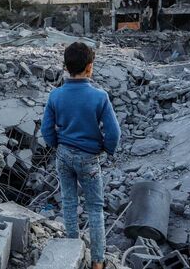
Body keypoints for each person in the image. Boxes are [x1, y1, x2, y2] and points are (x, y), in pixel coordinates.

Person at [41, 42, 121, 269]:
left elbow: (46, 129)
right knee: (95, 208)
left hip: (64, 155)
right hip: (89, 158)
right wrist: (106, 148)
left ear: (66, 67)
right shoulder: (99, 96)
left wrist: (57, 145)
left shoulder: (56, 95)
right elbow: (114, 132)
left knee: (68, 203)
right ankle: (97, 262)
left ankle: (71, 252)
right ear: (89, 67)